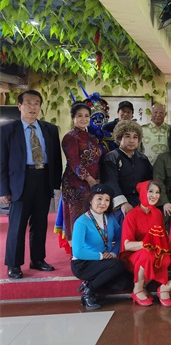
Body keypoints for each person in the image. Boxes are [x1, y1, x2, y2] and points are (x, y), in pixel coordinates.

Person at [1, 90, 62, 279]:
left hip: (43, 179)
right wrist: (3, 189)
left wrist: (55, 184)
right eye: (28, 103)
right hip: (20, 181)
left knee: (40, 223)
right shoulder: (7, 131)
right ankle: (14, 264)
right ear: (19, 106)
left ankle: (38, 259)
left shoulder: (50, 129)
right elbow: (1, 162)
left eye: (36, 103)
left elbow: (56, 159)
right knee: (17, 225)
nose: (32, 107)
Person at [121, 180, 171, 307]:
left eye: (157, 192)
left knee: (165, 258)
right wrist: (147, 244)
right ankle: (137, 289)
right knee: (148, 255)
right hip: (133, 255)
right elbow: (126, 245)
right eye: (151, 191)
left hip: (152, 252)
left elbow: (162, 238)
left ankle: (144, 286)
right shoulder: (132, 215)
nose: (154, 195)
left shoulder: (157, 213)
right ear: (143, 193)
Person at [71, 184, 128, 310]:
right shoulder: (81, 222)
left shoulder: (110, 218)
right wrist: (101, 256)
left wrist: (113, 253)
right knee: (118, 265)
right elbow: (78, 252)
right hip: (84, 263)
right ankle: (88, 292)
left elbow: (120, 238)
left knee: (124, 282)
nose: (103, 203)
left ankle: (90, 282)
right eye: (99, 199)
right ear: (90, 200)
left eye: (107, 200)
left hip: (106, 260)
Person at [58, 102, 103, 252]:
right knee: (77, 218)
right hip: (75, 185)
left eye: (86, 116)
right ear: (73, 118)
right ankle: (77, 252)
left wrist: (97, 179)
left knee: (91, 216)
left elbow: (97, 160)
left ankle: (89, 250)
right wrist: (89, 179)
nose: (84, 119)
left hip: (92, 184)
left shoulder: (92, 137)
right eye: (79, 116)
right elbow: (74, 162)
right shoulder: (70, 137)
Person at [100, 120, 153, 225]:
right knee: (124, 218)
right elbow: (111, 182)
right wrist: (123, 203)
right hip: (118, 202)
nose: (132, 140)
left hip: (140, 200)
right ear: (119, 138)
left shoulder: (143, 159)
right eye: (127, 136)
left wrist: (144, 201)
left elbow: (149, 181)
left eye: (135, 137)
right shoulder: (110, 158)